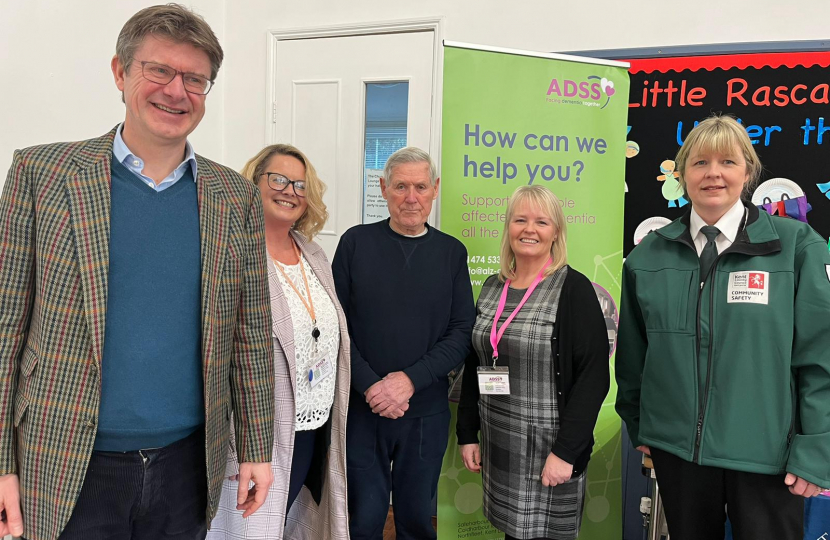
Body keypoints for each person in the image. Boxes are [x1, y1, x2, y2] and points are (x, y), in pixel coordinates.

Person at [0, 5, 275, 540]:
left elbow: (250, 334)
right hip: (64, 460)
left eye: (195, 79)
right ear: (121, 73)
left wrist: (257, 447)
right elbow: (4, 327)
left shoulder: (233, 195)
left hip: (186, 464)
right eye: (159, 71)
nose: (177, 91)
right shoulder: (43, 175)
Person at [616, 115, 830, 540]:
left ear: (747, 172)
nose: (713, 173)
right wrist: (641, 426)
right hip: (679, 456)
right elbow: (633, 355)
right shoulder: (648, 257)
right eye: (699, 163)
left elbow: (819, 357)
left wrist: (816, 448)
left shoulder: (796, 248)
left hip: (767, 458)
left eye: (727, 162)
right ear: (682, 175)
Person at [332, 147, 475, 539]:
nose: (411, 197)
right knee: (362, 519)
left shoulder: (451, 253)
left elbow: (462, 330)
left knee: (415, 520)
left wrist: (408, 381)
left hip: (426, 411)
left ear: (435, 190)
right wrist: (372, 386)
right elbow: (334, 326)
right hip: (362, 411)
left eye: (420, 186)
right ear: (383, 188)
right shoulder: (354, 244)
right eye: (400, 186)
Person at [209, 144, 350, 539]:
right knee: (247, 527)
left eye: (301, 185)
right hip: (255, 432)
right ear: (253, 183)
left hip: (312, 425)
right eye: (278, 179)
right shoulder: (233, 254)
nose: (290, 190)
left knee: (289, 522)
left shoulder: (313, 254)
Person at [456, 185, 610, 540]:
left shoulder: (573, 289)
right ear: (508, 226)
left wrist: (566, 452)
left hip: (549, 450)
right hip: (500, 442)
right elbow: (474, 362)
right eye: (520, 219)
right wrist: (468, 432)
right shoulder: (493, 287)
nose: (529, 229)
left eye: (541, 221)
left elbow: (593, 378)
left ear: (556, 231)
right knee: (512, 534)